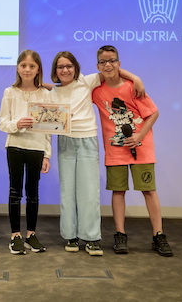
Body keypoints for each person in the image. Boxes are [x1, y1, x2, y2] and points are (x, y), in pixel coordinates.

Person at [49, 51, 144, 257]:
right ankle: (71, 236)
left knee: (89, 192)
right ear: (55, 70)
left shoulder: (86, 81)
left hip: (87, 140)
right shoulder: (53, 93)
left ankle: (91, 238)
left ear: (75, 67)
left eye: (69, 66)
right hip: (65, 143)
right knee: (68, 192)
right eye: (60, 67)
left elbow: (110, 71)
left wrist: (135, 78)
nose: (65, 70)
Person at [91, 45, 173, 257]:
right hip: (115, 150)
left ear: (119, 63)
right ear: (98, 66)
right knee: (118, 191)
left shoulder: (132, 87)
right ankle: (120, 234)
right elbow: (69, 89)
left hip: (141, 148)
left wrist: (139, 136)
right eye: (103, 62)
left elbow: (153, 113)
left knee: (149, 190)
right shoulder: (97, 92)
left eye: (112, 61)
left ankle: (158, 235)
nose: (108, 65)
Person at [0, 49, 52, 255]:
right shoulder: (9, 92)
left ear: (38, 69)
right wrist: (17, 124)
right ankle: (15, 236)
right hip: (15, 145)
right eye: (23, 65)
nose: (27, 69)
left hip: (36, 147)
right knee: (15, 191)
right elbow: (2, 122)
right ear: (18, 68)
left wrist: (47, 154)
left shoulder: (45, 94)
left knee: (33, 192)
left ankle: (31, 234)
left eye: (32, 66)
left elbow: (49, 128)